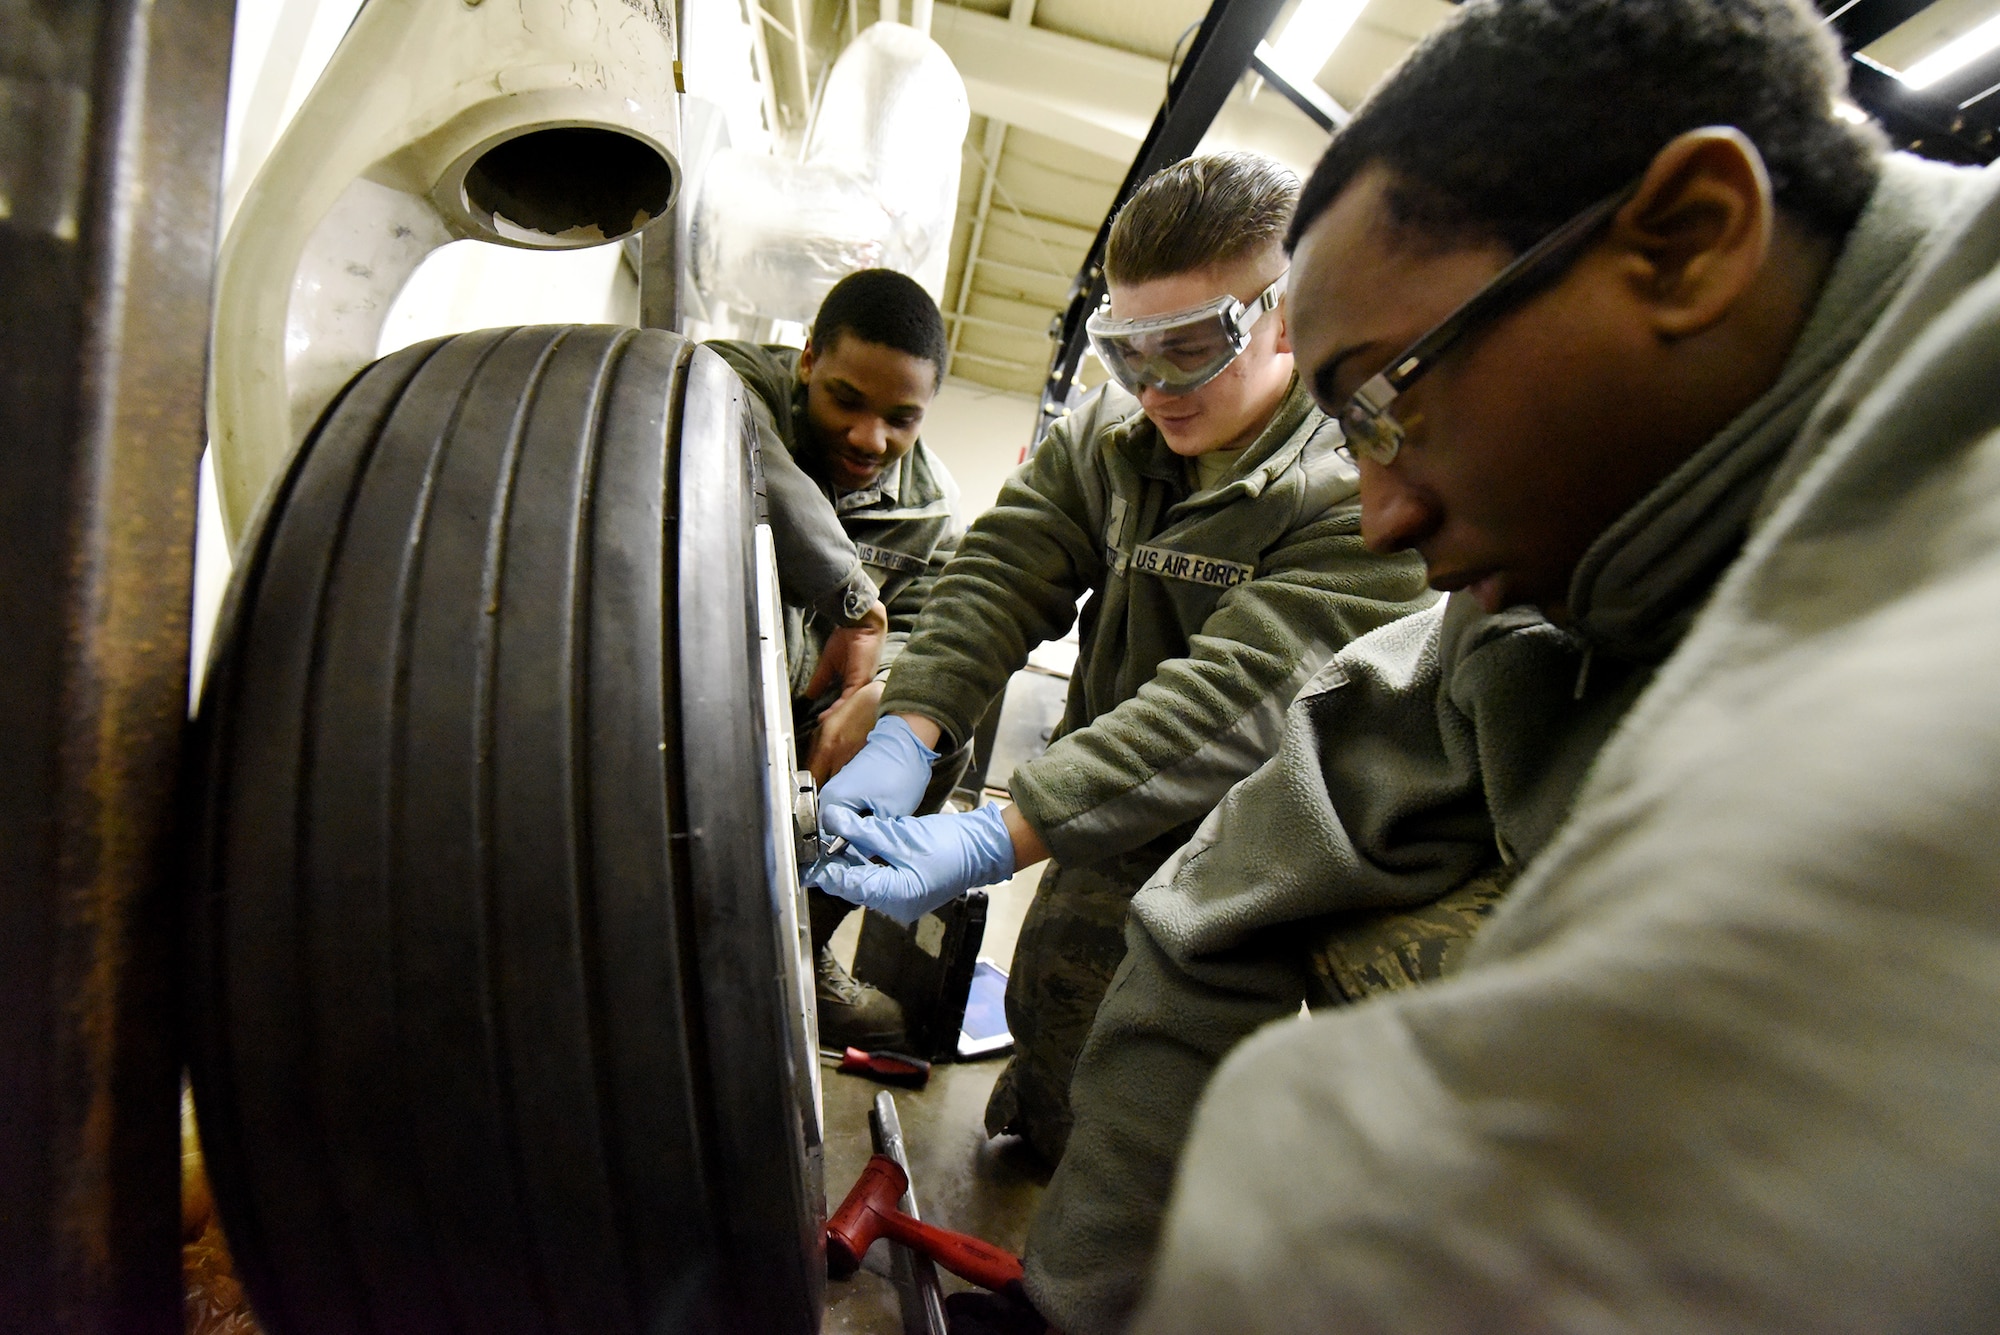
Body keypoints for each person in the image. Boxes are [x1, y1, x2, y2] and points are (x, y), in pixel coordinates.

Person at [991, 2, 2000, 1332]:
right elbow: (1214, 898)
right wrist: (1080, 1300)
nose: (1383, 513)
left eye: (1384, 404)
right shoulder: (1589, 529)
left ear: (1689, 243)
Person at [809, 152, 1435, 1162]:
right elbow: (1000, 574)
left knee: (1157, 1116)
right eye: (1127, 351)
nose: (1154, 388)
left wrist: (995, 838)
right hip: (1105, 818)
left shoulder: (1363, 484)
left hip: (1265, 853)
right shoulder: (1112, 434)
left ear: (1289, 312)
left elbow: (1232, 701)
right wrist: (909, 730)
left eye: (1187, 348)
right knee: (1054, 1039)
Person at [707, 267, 963, 1051]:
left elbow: (933, 632)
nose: (869, 438)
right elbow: (748, 449)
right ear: (808, 358)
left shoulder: (933, 509)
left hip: (815, 720)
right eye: (847, 400)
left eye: (900, 418)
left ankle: (791, 946)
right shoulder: (725, 383)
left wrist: (880, 694)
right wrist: (855, 596)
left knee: (933, 734)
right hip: (694, 690)